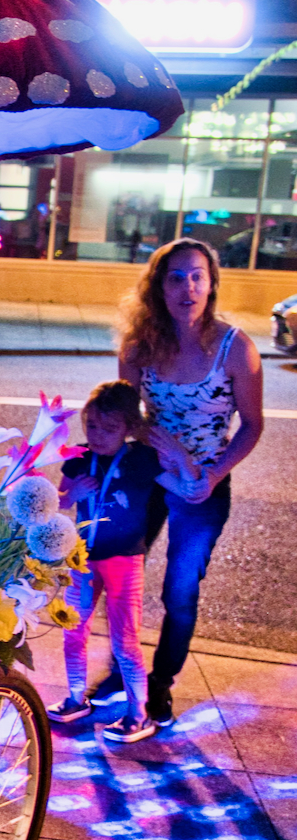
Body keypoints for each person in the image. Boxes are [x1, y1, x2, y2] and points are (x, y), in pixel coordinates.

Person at [118, 238, 263, 726]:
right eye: (176, 277)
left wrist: (213, 472)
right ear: (159, 286)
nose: (188, 286)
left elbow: (253, 424)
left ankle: (159, 685)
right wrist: (166, 447)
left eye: (198, 275)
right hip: (149, 474)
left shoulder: (236, 348)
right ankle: (123, 669)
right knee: (121, 578)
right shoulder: (140, 346)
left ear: (212, 284)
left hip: (202, 485)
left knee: (179, 591)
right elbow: (128, 415)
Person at [51, 381, 163, 742]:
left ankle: (138, 713)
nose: (98, 436)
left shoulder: (142, 460)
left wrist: (180, 457)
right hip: (82, 559)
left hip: (124, 562)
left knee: (125, 640)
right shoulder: (80, 456)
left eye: (110, 428)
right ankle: (75, 697)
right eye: (93, 426)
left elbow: (178, 482)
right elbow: (57, 500)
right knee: (73, 630)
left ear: (130, 428)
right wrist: (70, 494)